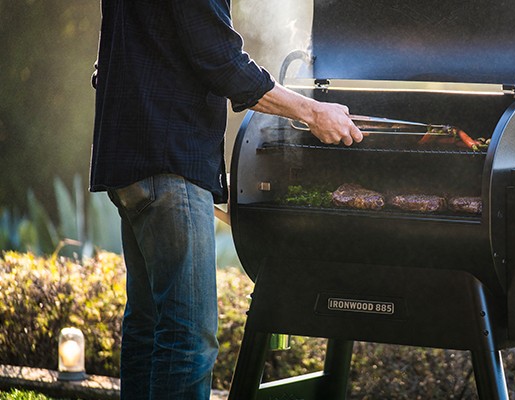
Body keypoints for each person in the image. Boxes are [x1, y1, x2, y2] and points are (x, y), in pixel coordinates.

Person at [89, 1, 363, 399]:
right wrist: (313, 111)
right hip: (171, 163)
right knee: (188, 336)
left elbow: (106, 67)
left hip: (128, 163)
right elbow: (222, 63)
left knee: (147, 328)